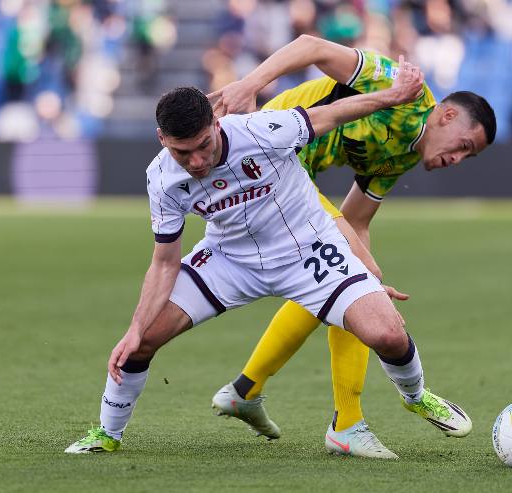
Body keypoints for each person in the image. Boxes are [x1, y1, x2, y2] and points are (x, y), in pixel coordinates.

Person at [65, 61, 471, 456]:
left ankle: (415, 396)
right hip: (228, 259)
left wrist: (392, 97)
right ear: (161, 139)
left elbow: (332, 113)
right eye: (182, 153)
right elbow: (165, 262)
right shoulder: (162, 178)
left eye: (204, 145)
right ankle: (106, 432)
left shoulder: (262, 131)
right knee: (141, 342)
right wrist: (135, 327)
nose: (197, 162)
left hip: (306, 247)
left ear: (216, 125)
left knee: (387, 334)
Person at [206, 35, 496, 459]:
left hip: (285, 179)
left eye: (468, 158)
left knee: (344, 281)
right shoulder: (403, 90)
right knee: (350, 283)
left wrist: (367, 271)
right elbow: (312, 47)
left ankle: (246, 391)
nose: (457, 160)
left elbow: (356, 220)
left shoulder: (403, 156)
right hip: (263, 158)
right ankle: (345, 424)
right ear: (447, 115)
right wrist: (249, 84)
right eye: (464, 146)